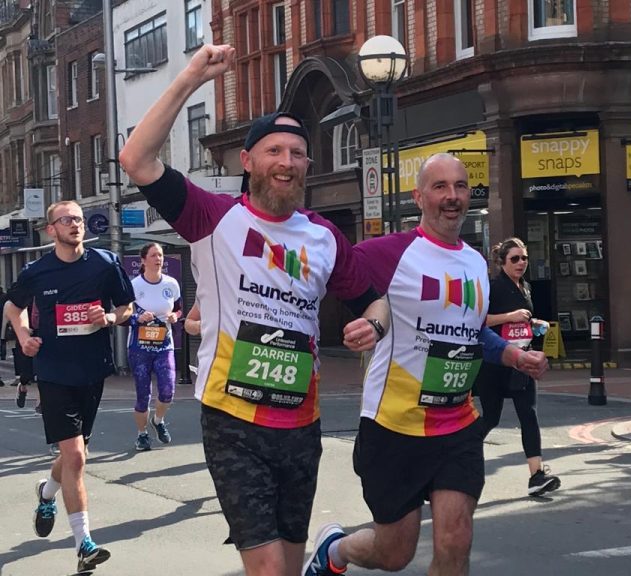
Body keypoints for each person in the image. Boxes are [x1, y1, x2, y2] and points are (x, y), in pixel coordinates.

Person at [119, 43, 388, 576]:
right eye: (273, 151)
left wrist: (373, 325)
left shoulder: (325, 237)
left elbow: (373, 300)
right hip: (234, 418)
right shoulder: (212, 218)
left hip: (302, 421)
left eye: (296, 152)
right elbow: (137, 160)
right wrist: (191, 77)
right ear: (248, 161)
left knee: (285, 567)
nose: (285, 162)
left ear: (307, 163)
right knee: (266, 570)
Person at [303, 153, 549, 576]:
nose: (451, 196)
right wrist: (365, 320)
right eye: (440, 187)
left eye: (459, 186)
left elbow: (471, 333)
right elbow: (332, 269)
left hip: (456, 422)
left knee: (456, 540)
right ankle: (335, 552)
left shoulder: (475, 262)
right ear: (419, 196)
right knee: (394, 553)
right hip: (394, 425)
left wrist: (514, 356)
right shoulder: (391, 252)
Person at [5, 200, 134, 573]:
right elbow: (13, 308)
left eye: (78, 219)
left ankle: (46, 492)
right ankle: (84, 545)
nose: (74, 224)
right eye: (66, 220)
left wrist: (109, 316)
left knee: (78, 454)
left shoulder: (105, 263)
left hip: (92, 370)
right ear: (51, 230)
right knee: (76, 456)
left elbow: (126, 308)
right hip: (54, 370)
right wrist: (24, 336)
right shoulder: (36, 270)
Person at [474, 237, 560, 496]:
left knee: (528, 415)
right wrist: (509, 317)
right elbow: (477, 321)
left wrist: (533, 324)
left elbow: (521, 320)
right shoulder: (493, 287)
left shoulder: (526, 287)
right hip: (495, 362)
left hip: (522, 361)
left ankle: (537, 476)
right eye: (515, 259)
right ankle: (456, 455)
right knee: (491, 416)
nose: (521, 263)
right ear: (502, 262)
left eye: (524, 258)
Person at [127, 242, 182, 451]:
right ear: (143, 260)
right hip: (139, 347)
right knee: (143, 395)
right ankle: (141, 435)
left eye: (160, 255)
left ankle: (158, 421)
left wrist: (174, 317)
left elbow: (178, 310)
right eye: (153, 255)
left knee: (168, 390)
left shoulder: (171, 284)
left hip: (164, 345)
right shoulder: (134, 286)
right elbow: (123, 315)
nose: (158, 259)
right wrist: (138, 317)